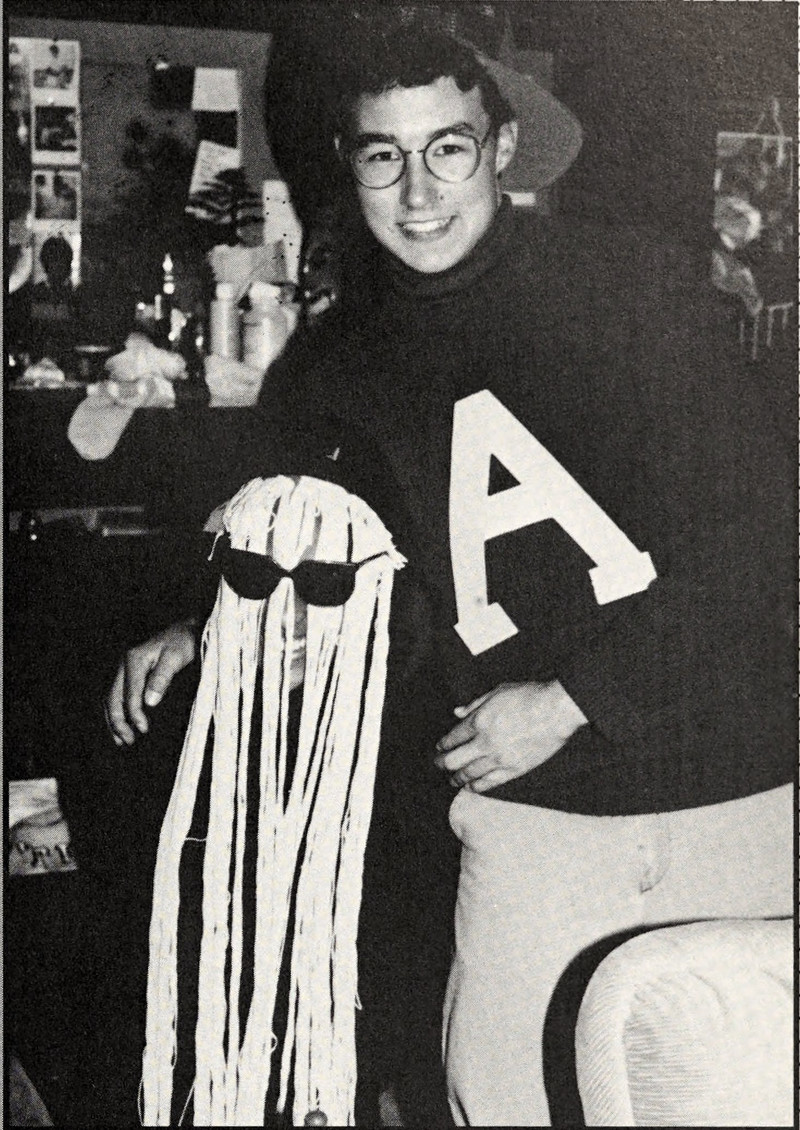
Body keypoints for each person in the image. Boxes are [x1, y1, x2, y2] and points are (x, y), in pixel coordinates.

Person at [106, 27, 795, 1127]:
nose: (419, 191)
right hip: (528, 821)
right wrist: (210, 627)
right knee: (496, 1100)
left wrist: (570, 701)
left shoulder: (634, 290)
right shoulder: (331, 363)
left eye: (448, 149)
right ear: (350, 165)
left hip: (729, 793)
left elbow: (757, 546)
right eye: (385, 156)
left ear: (501, 148)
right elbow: (313, 537)